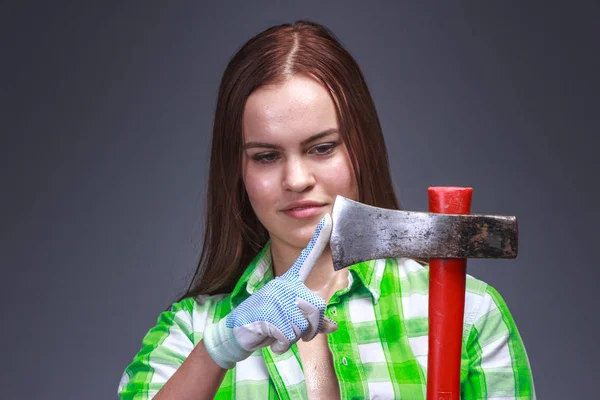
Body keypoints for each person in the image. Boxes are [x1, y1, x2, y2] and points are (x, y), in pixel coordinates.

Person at [118, 20, 535, 399]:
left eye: (322, 148)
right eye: (265, 156)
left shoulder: (470, 314)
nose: (296, 179)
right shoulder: (189, 332)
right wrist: (216, 351)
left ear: (361, 149)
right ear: (237, 172)